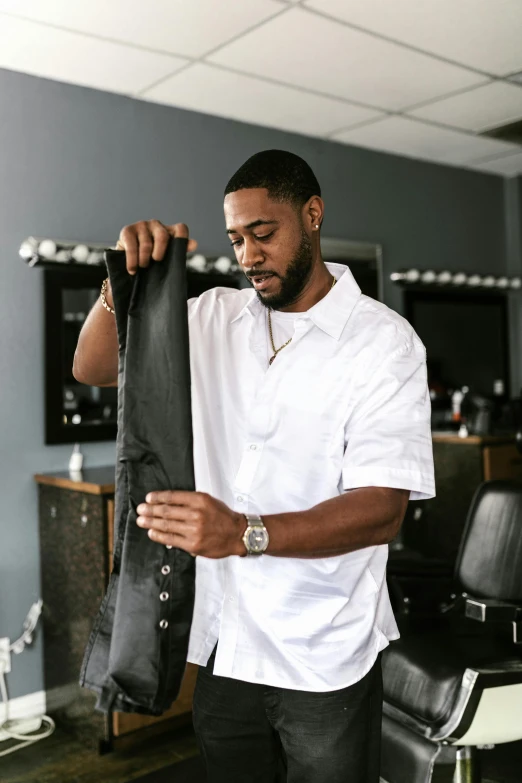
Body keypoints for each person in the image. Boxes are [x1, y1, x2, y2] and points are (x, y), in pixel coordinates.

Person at [73, 149, 434, 782]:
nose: (247, 255)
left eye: (263, 234)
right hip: (226, 644)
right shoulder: (214, 316)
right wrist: (117, 284)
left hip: (323, 653)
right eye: (237, 238)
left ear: (312, 216)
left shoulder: (385, 344)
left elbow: (381, 511)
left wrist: (243, 533)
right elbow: (94, 369)